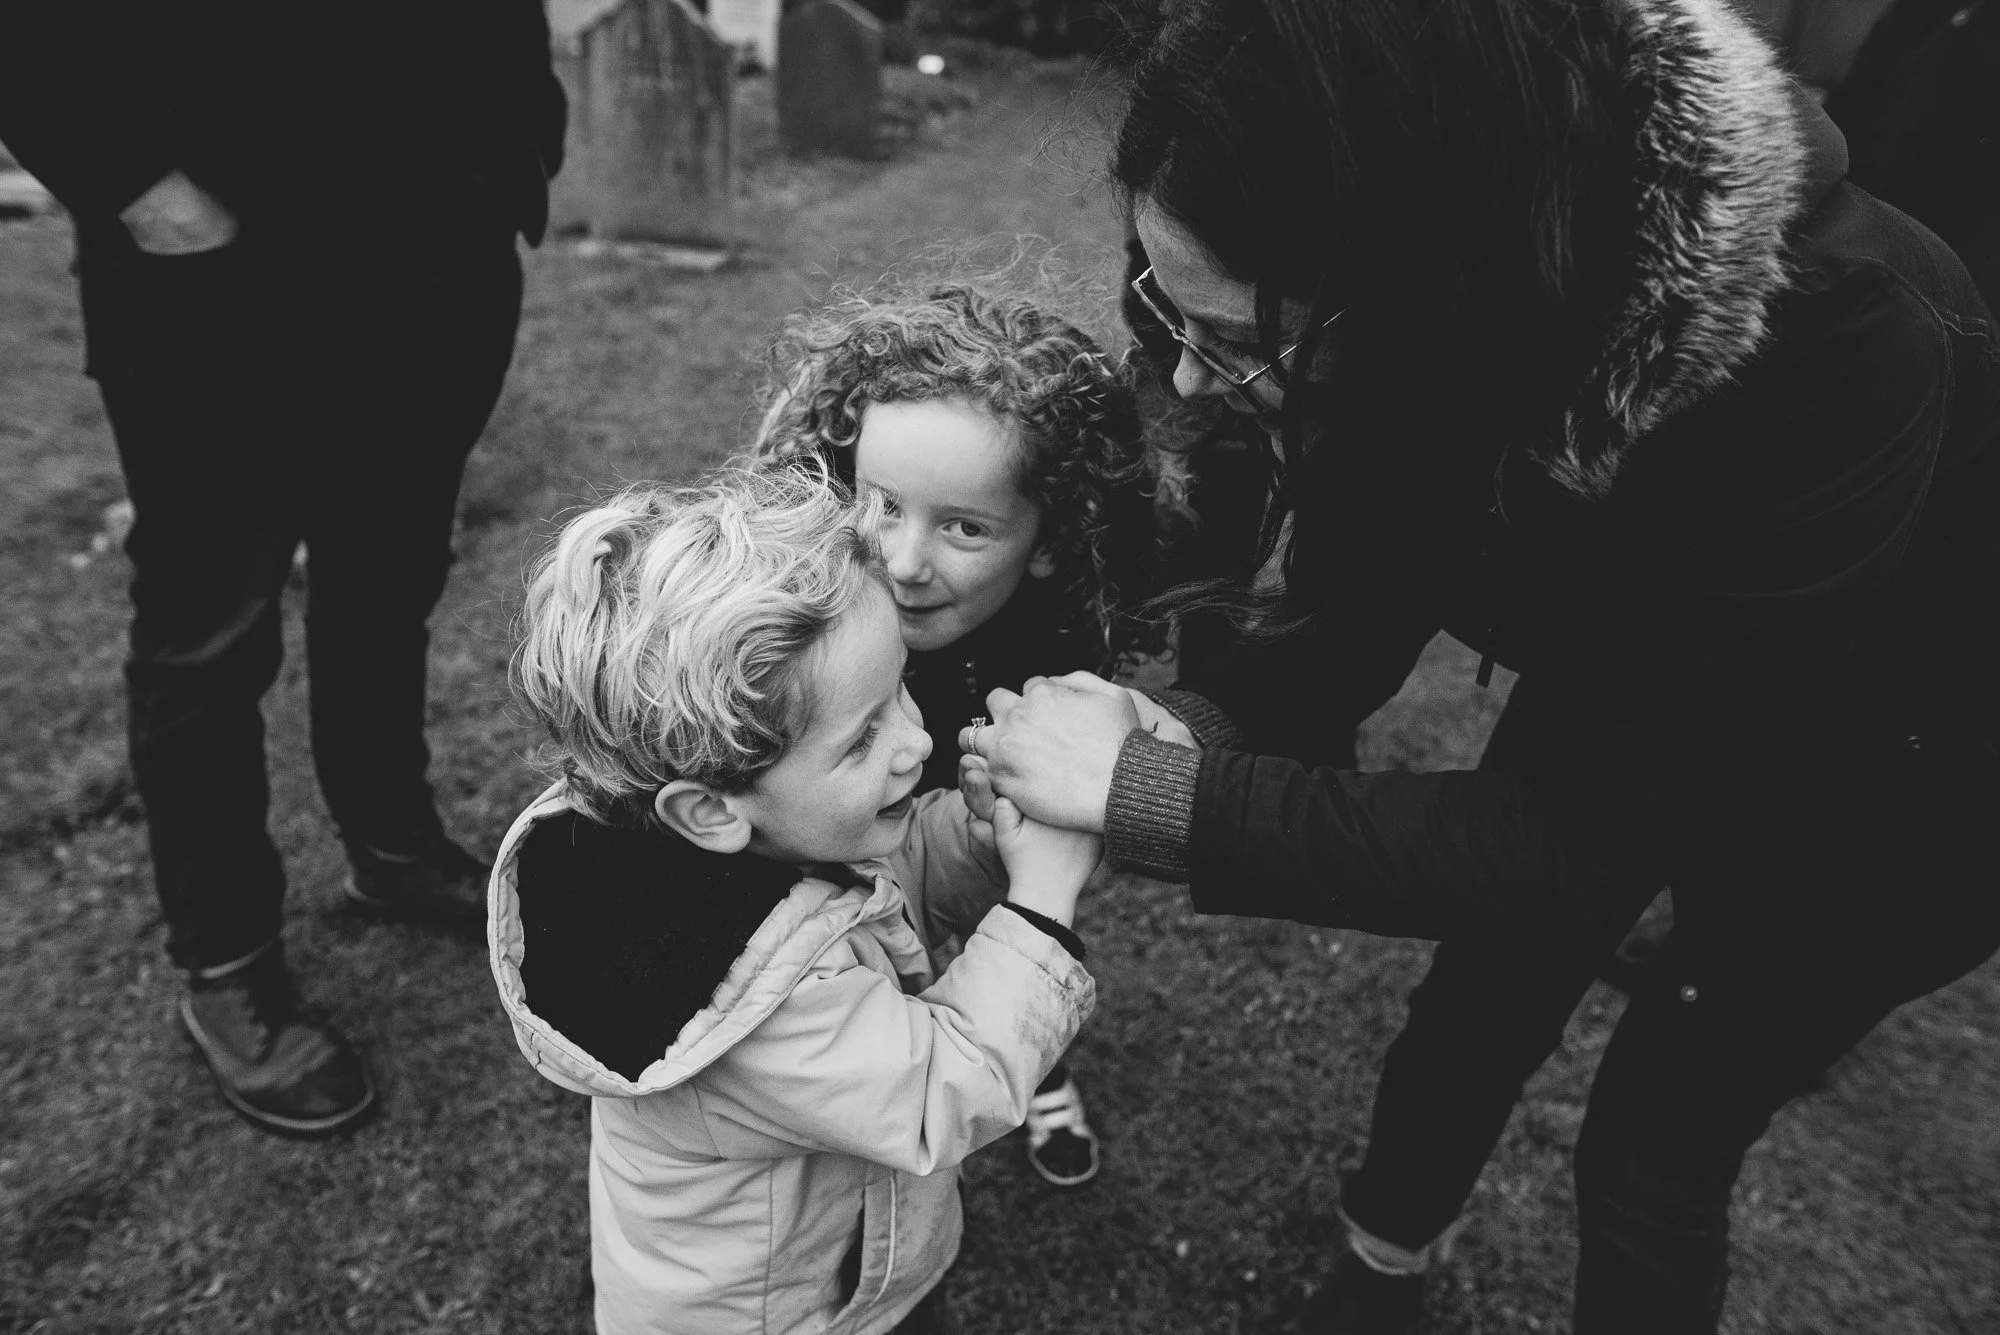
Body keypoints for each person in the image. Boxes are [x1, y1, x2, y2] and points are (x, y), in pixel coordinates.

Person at [959, 0, 2000, 1331]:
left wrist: (1153, 799)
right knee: (1482, 995)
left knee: (1658, 1132)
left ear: (1415, 267)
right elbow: (1359, 605)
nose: (1189, 381)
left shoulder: (1855, 333)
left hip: (1900, 772)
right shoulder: (1435, 295)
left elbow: (1567, 838)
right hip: (1646, 660)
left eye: (1231, 340)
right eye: (1161, 306)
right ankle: (1382, 1266)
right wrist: (1172, 727)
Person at [0, 3, 567, 1135]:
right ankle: (225, 963)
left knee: (387, 577)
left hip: (441, 254)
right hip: (220, 268)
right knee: (210, 630)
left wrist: (516, 154)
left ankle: (391, 845)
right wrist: (132, 179)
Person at [491, 466, 1098, 1334]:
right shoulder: (749, 999)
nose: (916, 740)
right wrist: (1041, 896)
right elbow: (942, 1088)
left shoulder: (742, 839)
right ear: (709, 811)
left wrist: (978, 841)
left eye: (900, 691)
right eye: (863, 739)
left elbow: (873, 893)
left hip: (830, 1266)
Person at [751, 280, 1171, 1187]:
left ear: (1050, 540)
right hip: (825, 870)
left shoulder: (1058, 637)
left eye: (965, 527)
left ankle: (1036, 1064)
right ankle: (877, 1063)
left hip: (977, 796)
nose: (903, 562)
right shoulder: (802, 629)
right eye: (882, 504)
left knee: (999, 896)